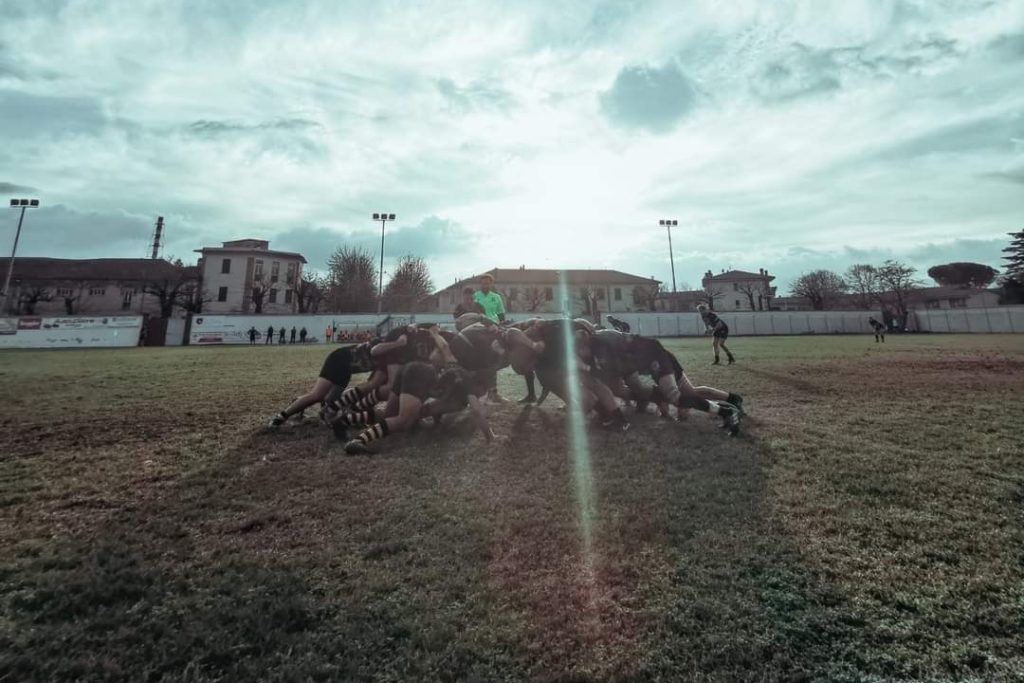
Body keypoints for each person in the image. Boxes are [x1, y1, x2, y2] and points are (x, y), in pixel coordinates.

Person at [266, 345, 362, 428]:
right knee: (317, 395)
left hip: (348, 368)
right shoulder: (370, 349)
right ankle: (280, 417)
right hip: (339, 360)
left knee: (332, 399)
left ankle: (301, 403)